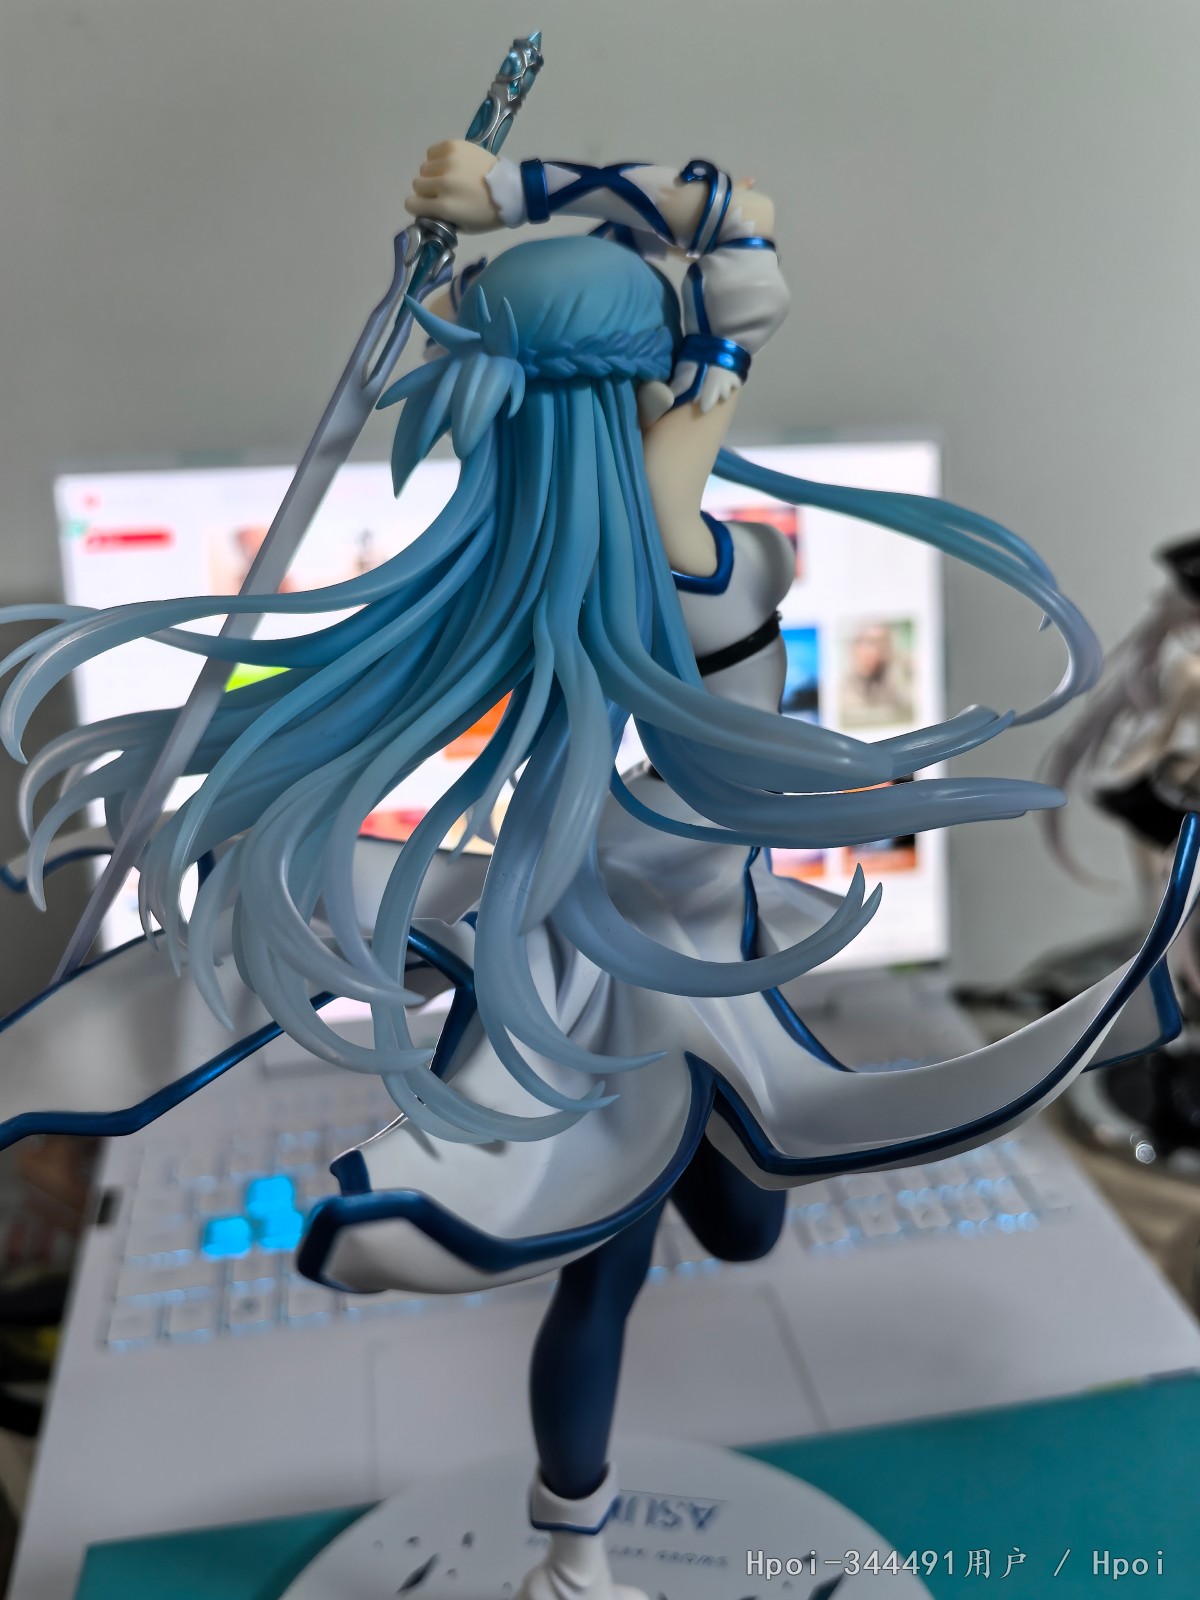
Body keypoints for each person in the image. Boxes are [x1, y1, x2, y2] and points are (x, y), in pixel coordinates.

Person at [1, 143, 1197, 1600]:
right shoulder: (682, 529)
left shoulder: (569, 543)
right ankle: (575, 1555)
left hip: (672, 951)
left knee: (721, 1222)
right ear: (640, 370)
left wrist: (510, 206)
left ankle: (582, 1516)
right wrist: (518, 200)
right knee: (636, 1253)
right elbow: (740, 229)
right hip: (634, 963)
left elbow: (729, 247)